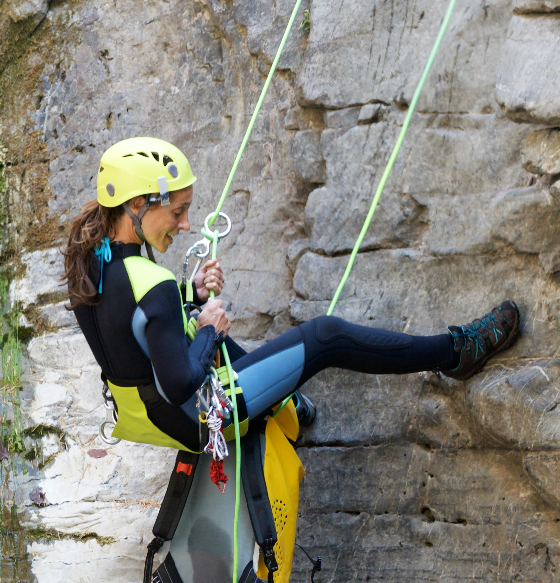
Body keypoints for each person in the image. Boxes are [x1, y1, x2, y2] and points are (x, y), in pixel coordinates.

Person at [66, 137, 521, 453]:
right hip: (202, 421)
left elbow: (132, 326)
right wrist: (208, 329)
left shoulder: (91, 261)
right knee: (325, 337)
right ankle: (456, 353)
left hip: (153, 419)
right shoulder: (153, 284)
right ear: (135, 205)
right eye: (178, 211)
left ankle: (286, 402)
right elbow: (182, 380)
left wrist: (190, 292)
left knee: (212, 336)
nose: (185, 225)